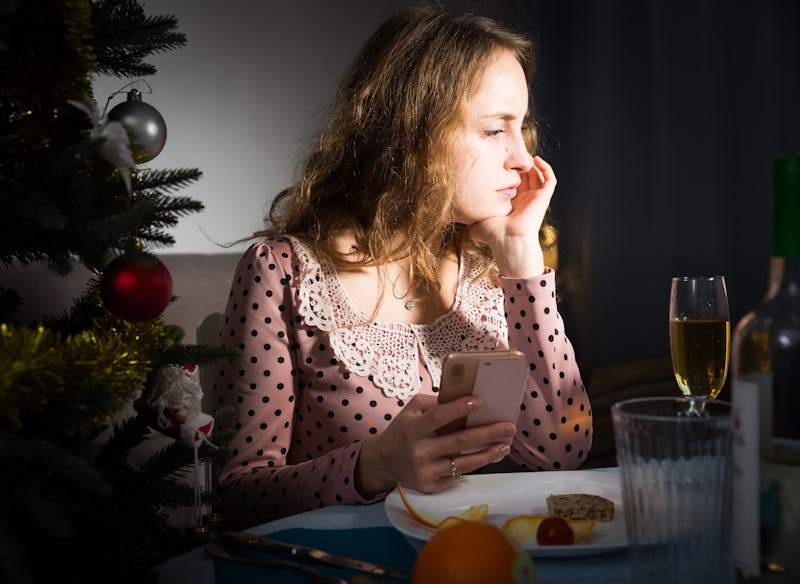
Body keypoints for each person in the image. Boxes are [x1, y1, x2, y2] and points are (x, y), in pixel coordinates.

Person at [212, 4, 593, 528]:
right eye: (491, 131)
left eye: (520, 127)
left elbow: (561, 453)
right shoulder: (283, 273)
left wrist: (522, 263)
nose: (522, 159)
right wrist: (372, 466)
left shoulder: (495, 270)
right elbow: (236, 495)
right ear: (412, 134)